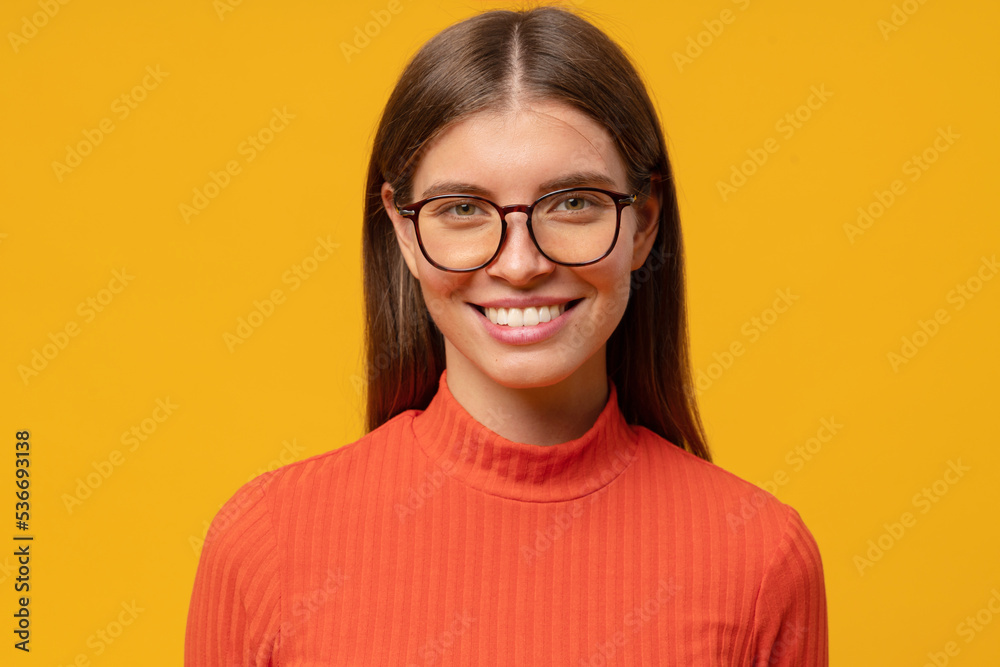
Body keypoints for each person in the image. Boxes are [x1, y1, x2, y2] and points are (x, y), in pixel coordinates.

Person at [185, 6, 828, 665]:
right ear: (404, 232)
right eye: (462, 209)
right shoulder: (267, 542)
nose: (520, 263)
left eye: (572, 202)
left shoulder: (759, 560)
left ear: (643, 224)